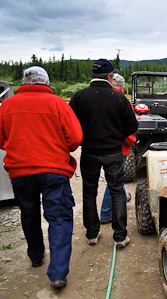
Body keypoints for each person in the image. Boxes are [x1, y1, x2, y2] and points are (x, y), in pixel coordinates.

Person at [0, 66, 83, 289]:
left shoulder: (6, 105)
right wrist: (58, 146)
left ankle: (36, 256)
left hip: (20, 171)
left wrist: (16, 146)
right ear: (46, 82)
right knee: (59, 218)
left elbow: (0, 138)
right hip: (53, 170)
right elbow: (76, 138)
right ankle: (57, 274)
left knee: (29, 213)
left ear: (24, 83)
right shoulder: (57, 104)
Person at [69, 59, 138, 249]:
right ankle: (120, 236)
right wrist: (116, 136)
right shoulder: (118, 98)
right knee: (117, 191)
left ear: (93, 75)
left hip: (89, 152)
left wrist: (85, 137)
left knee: (89, 192)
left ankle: (92, 234)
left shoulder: (79, 96)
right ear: (110, 76)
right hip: (113, 152)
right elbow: (133, 126)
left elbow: (70, 126)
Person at [99, 73, 136, 224]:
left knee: (114, 179)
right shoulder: (122, 101)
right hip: (119, 148)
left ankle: (124, 197)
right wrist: (130, 142)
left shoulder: (99, 99)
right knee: (114, 181)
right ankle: (106, 213)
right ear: (121, 86)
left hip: (100, 147)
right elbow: (130, 128)